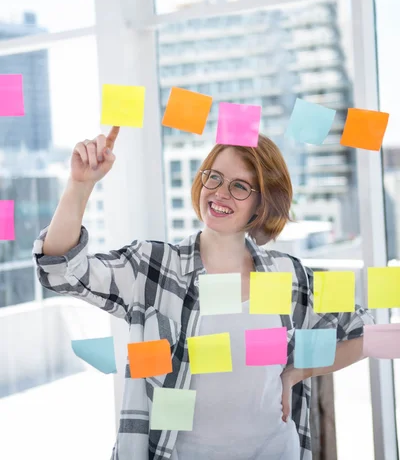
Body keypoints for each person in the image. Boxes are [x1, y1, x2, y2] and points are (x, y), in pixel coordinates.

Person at [33, 126, 374, 460]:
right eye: (214, 177)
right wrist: (80, 186)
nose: (220, 192)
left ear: (261, 203)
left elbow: (364, 332)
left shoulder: (288, 273)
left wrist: (299, 371)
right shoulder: (154, 265)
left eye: (240, 186)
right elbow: (61, 272)